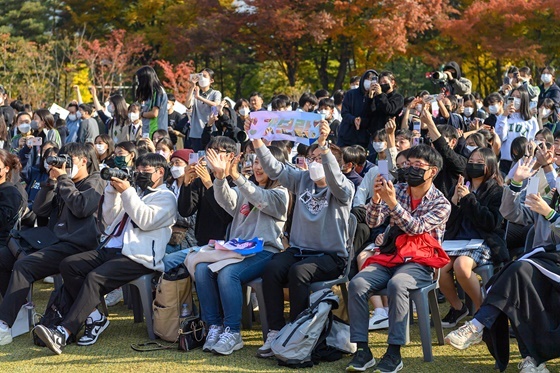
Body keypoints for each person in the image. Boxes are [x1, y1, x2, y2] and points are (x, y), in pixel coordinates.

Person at [34, 153, 177, 354]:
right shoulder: (137, 192)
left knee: (95, 278)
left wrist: (128, 192)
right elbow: (110, 219)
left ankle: (63, 332)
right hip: (112, 249)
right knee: (70, 265)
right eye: (138, 170)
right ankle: (95, 317)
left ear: (160, 172)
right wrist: (111, 190)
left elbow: (145, 220)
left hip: (139, 257)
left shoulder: (166, 198)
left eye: (146, 171)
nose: (140, 174)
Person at [250, 120, 354, 358]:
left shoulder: (343, 188)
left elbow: (338, 183)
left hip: (330, 256)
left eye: (321, 157)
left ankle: (298, 333)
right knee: (273, 267)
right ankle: (276, 331)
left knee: (299, 272)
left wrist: (324, 146)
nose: (315, 162)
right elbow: (275, 168)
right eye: (312, 157)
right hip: (299, 249)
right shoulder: (301, 179)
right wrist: (256, 139)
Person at [444, 156, 559, 373]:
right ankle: (530, 358)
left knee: (518, 270)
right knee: (518, 274)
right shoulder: (550, 193)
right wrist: (515, 183)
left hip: (550, 264)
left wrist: (551, 214)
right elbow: (511, 214)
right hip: (541, 261)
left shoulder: (551, 202)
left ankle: (478, 324)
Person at [346, 144, 451, 373]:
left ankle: (394, 352)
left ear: (432, 171)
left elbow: (416, 228)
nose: (410, 169)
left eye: (417, 166)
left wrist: (392, 203)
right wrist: (375, 199)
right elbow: (373, 222)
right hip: (391, 255)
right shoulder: (399, 189)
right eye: (408, 164)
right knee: (357, 284)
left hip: (421, 262)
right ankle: (362, 350)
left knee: (398, 284)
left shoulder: (441, 203)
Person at [0, 143, 104, 345]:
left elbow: (82, 207)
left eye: (69, 161)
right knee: (4, 257)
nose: (64, 166)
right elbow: (41, 210)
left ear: (84, 160)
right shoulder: (65, 182)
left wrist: (63, 179)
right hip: (55, 242)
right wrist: (49, 182)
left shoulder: (95, 181)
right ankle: (18, 310)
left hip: (81, 245)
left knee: (24, 265)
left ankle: (4, 324)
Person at [196, 145, 289, 355]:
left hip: (265, 252)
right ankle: (215, 326)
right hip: (237, 250)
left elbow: (260, 199)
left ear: (277, 167)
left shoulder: (280, 193)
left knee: (228, 275)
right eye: (256, 162)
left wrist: (236, 176)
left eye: (264, 163)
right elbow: (226, 202)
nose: (259, 167)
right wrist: (220, 178)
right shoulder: (245, 188)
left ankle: (233, 331)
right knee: (202, 268)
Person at [439, 148, 507, 328]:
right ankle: (458, 307)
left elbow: (491, 223)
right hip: (458, 240)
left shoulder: (497, 191)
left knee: (461, 265)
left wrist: (469, 199)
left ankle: (481, 314)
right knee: (439, 266)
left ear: (490, 166)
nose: (473, 165)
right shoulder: (461, 186)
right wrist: (454, 200)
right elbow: (448, 222)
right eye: (471, 161)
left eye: (479, 162)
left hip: (483, 241)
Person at [0, 150, 26, 299]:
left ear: (6, 169)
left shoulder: (10, 191)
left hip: (5, 241)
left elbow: (3, 220)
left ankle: (11, 306)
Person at [495, 86, 539, 175]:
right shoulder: (502, 117)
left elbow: (534, 141)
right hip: (505, 161)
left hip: (523, 162)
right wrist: (504, 116)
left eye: (518, 97)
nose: (515, 99)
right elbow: (500, 137)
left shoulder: (531, 120)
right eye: (513, 96)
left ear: (524, 100)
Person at [338, 69, 378, 148]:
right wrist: (354, 119)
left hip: (363, 137)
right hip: (347, 134)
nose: (370, 82)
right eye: (368, 79)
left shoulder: (376, 97)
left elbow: (372, 115)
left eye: (372, 79)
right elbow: (344, 112)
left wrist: (371, 97)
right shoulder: (351, 94)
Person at [185, 68, 222, 151]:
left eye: (205, 76)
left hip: (211, 131)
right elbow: (187, 105)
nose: (202, 78)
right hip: (196, 133)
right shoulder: (195, 93)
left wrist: (199, 98)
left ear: (211, 80)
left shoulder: (215, 93)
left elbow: (216, 104)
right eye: (200, 76)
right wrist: (192, 87)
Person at [364, 71, 404, 135]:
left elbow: (389, 110)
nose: (383, 84)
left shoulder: (398, 97)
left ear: (392, 82)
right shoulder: (377, 97)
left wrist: (380, 95)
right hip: (374, 133)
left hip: (389, 133)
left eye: (385, 82)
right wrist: (370, 97)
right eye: (381, 83)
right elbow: (368, 113)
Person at [135, 66, 169, 138]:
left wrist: (141, 114)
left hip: (155, 131)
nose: (138, 82)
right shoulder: (151, 92)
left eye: (139, 79)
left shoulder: (157, 92)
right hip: (148, 130)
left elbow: (154, 113)